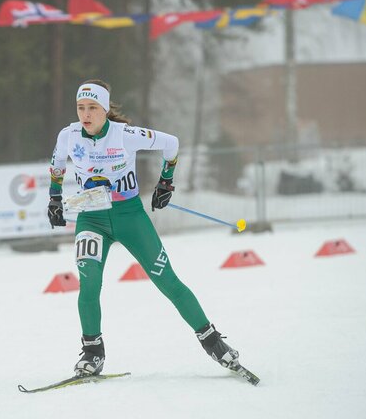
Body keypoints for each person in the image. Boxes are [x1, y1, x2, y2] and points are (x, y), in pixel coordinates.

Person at [48, 79, 240, 377]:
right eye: (80, 108)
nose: (85, 115)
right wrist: (54, 198)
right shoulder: (69, 135)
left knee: (168, 282)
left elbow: (172, 144)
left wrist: (166, 181)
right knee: (88, 284)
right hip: (91, 218)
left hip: (129, 217)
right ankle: (93, 352)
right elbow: (57, 164)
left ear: (105, 109)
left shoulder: (126, 135)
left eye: (92, 108)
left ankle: (214, 342)